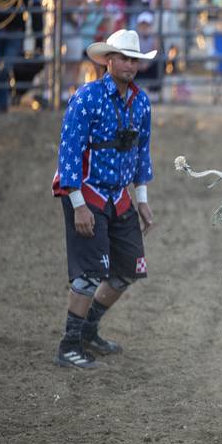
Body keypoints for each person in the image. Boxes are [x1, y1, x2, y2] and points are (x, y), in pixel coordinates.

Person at [51, 29, 156, 368]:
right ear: (109, 60)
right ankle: (68, 345)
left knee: (126, 271)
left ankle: (86, 332)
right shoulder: (86, 97)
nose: (129, 64)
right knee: (89, 275)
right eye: (124, 58)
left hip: (119, 196)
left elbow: (142, 151)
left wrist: (141, 197)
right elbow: (69, 152)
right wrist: (78, 203)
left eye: (134, 59)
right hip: (88, 193)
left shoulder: (141, 101)